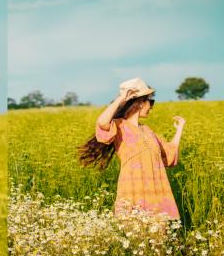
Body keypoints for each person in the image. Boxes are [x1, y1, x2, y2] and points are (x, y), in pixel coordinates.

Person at [78, 77, 185, 220]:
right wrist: (121, 98)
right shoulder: (119, 126)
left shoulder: (148, 130)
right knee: (135, 230)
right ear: (140, 103)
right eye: (150, 101)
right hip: (133, 190)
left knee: (159, 232)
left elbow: (169, 155)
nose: (151, 106)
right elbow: (102, 122)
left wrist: (179, 129)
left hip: (156, 193)